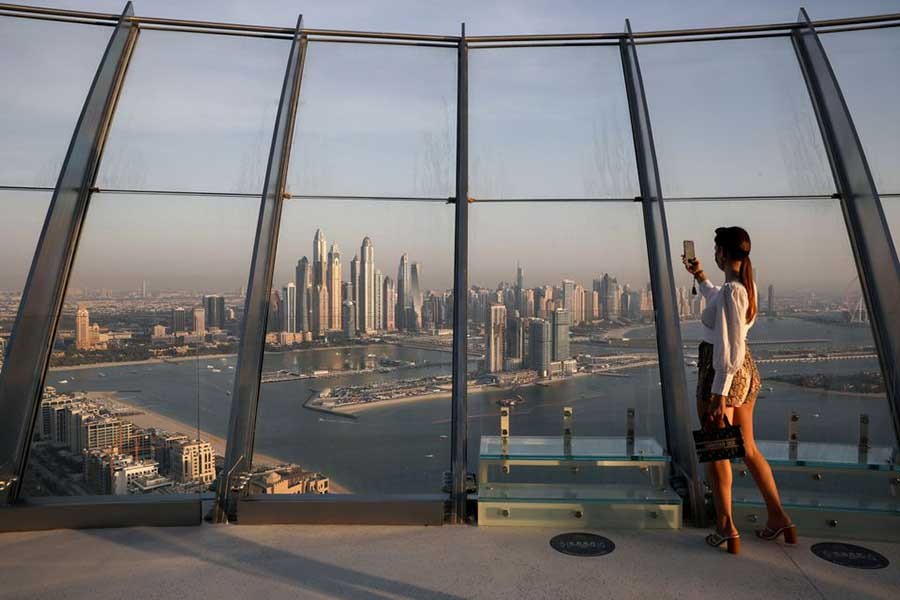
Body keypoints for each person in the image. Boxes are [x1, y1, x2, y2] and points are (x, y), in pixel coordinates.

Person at [682, 226, 796, 555]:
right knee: (747, 448)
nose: (714, 253)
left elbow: (730, 347)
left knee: (717, 452)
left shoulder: (733, 292)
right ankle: (779, 517)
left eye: (715, 249)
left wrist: (719, 393)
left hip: (721, 373)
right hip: (744, 373)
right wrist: (700, 276)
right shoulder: (744, 285)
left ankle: (726, 527)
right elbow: (719, 303)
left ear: (723, 253)